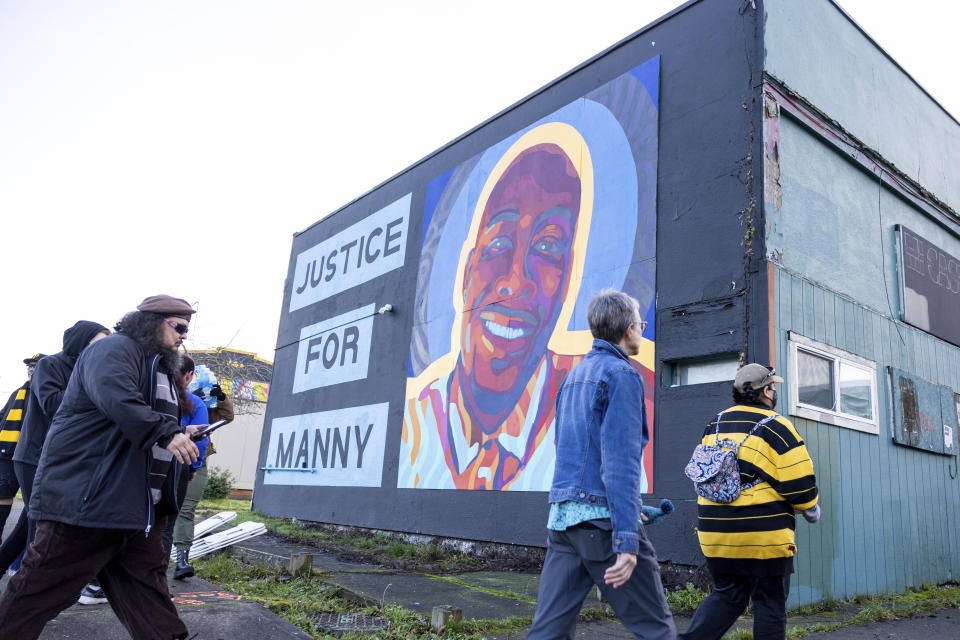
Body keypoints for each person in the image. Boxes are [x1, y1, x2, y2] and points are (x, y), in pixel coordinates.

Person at [400, 139, 658, 491]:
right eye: (499, 245)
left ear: (568, 282)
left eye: (548, 248)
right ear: (465, 271)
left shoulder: (624, 394)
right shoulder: (412, 428)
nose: (515, 281)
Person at [0, 295, 200, 640]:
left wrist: (179, 431)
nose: (184, 335)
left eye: (187, 328)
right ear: (152, 321)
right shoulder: (115, 349)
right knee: (36, 592)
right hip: (88, 504)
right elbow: (115, 395)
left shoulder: (157, 364)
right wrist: (165, 430)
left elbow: (139, 417)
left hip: (135, 508)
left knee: (147, 594)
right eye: (178, 326)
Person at [526, 289, 676, 640]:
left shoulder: (574, 377)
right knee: (657, 629)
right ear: (627, 330)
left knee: (549, 632)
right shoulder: (621, 375)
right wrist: (626, 540)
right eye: (640, 322)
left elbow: (576, 453)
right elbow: (620, 462)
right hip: (603, 527)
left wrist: (633, 509)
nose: (642, 328)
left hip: (564, 524)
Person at [680, 364, 820, 640]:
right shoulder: (776, 426)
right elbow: (801, 485)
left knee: (727, 596)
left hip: (716, 534)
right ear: (766, 391)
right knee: (769, 604)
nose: (775, 392)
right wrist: (811, 509)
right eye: (774, 387)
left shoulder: (715, 424)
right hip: (762, 537)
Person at [0, 324, 110, 590]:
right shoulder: (51, 365)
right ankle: (28, 590)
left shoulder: (87, 369)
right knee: (41, 527)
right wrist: (90, 384)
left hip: (63, 457)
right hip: (34, 457)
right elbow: (53, 404)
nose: (102, 349)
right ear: (80, 342)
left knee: (30, 523)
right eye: (97, 342)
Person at [163, 355, 208, 580]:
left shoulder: (196, 401)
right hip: (179, 464)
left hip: (182, 464)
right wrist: (193, 467)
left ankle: (181, 558)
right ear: (189, 376)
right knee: (171, 516)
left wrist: (193, 467)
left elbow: (202, 437)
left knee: (179, 512)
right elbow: (201, 437)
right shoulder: (185, 400)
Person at [0, 354, 44, 546]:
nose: (31, 369)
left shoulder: (47, 390)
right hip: (8, 454)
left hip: (34, 457)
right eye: (30, 366)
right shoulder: (19, 392)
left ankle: (21, 557)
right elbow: (3, 417)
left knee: (32, 506)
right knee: (2, 495)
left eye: (35, 366)